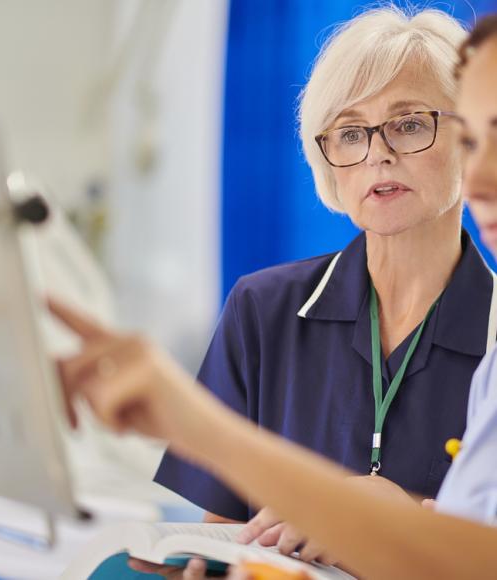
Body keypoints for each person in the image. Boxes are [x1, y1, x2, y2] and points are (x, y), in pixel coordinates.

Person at [50, 13, 497, 579]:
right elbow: (218, 536)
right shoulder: (262, 309)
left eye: (408, 124)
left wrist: (395, 514)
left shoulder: (493, 338)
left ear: (470, 139)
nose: (377, 154)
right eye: (351, 133)